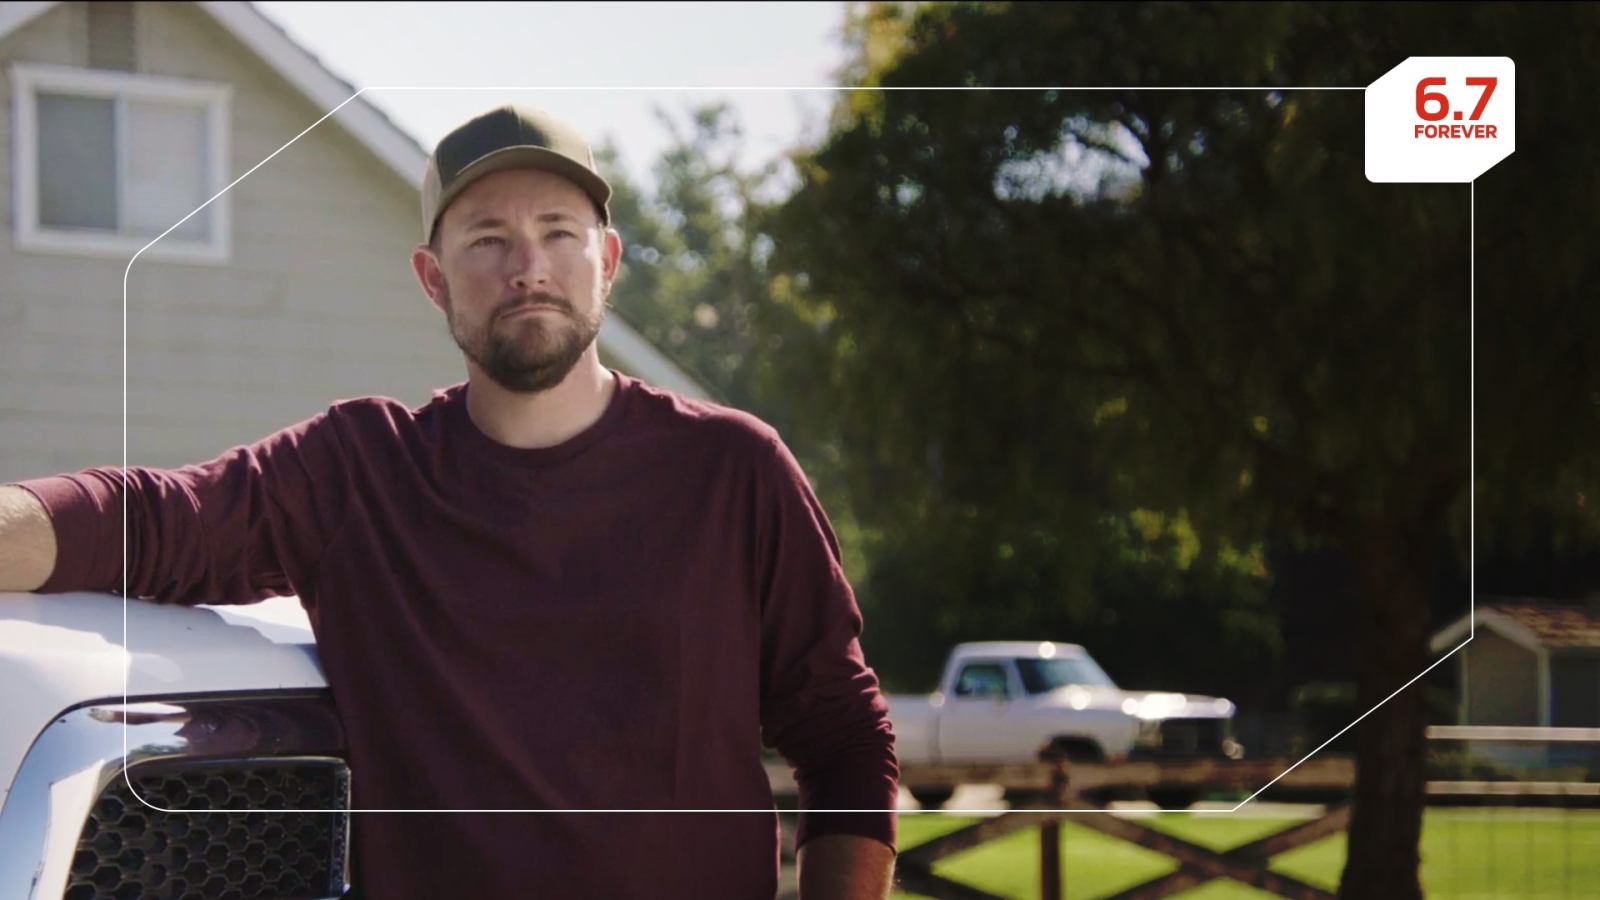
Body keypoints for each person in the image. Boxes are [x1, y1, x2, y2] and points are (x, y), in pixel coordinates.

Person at [0, 104, 900, 899]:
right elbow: (152, 520)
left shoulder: (733, 471)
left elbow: (844, 736)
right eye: (487, 238)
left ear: (608, 260)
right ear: (433, 278)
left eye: (559, 232)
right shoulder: (362, 474)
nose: (528, 267)